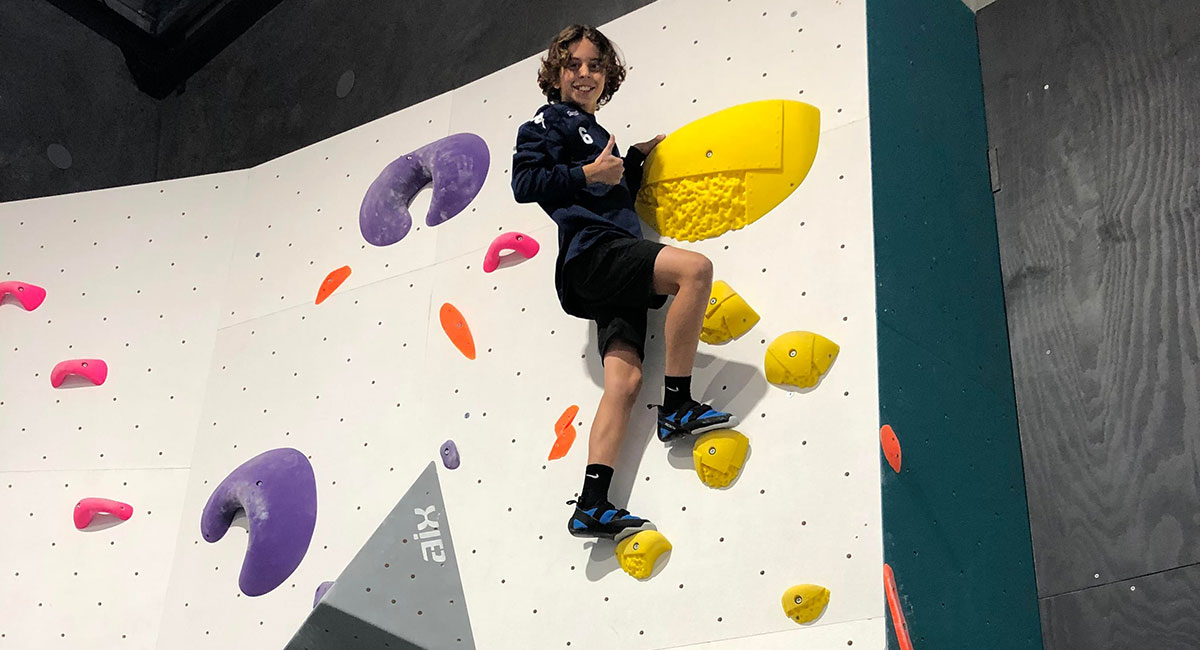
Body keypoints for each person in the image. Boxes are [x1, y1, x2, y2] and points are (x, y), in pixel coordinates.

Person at [511, 24, 738, 541]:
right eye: (574, 65)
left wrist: (632, 162)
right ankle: (678, 406)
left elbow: (613, 194)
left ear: (607, 75)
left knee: (626, 382)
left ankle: (592, 505)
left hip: (612, 267)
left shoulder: (598, 134)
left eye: (594, 65)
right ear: (556, 73)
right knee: (694, 271)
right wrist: (589, 174)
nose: (585, 73)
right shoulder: (548, 121)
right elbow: (525, 183)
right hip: (593, 257)